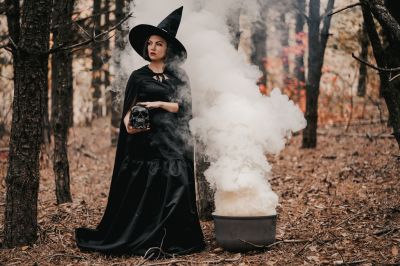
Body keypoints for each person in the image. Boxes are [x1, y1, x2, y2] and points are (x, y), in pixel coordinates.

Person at [75, 6, 206, 258]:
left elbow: (185, 108)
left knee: (176, 190)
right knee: (150, 191)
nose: (152, 48)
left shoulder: (179, 76)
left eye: (158, 43)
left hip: (174, 142)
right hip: (146, 143)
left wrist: (158, 104)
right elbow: (129, 109)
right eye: (149, 43)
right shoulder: (137, 76)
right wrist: (128, 124)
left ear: (168, 48)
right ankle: (146, 236)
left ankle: (173, 239)